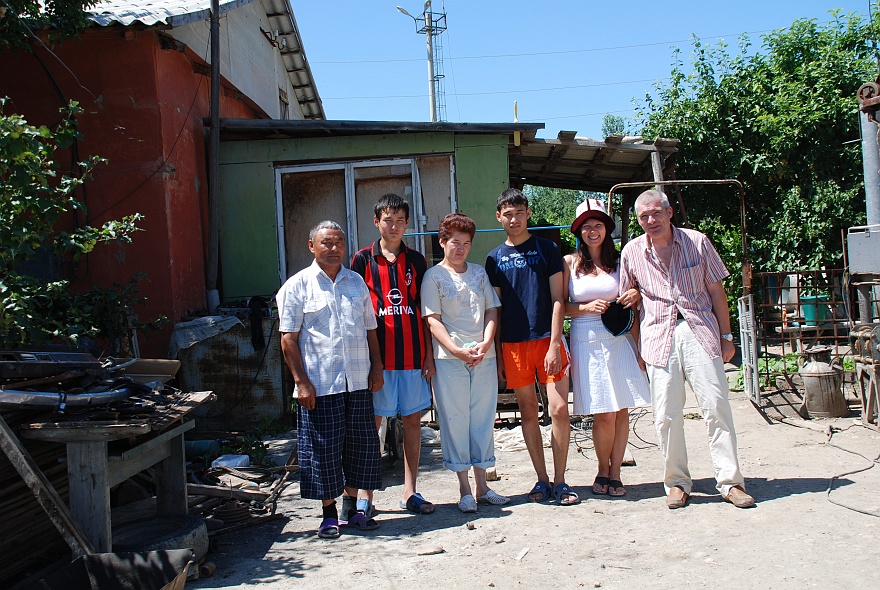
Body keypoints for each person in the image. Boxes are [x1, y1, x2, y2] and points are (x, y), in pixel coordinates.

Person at [619, 190, 755, 510]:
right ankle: (677, 483)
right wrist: (638, 346)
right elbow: (629, 303)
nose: (650, 221)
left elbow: (716, 291)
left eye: (655, 213)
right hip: (657, 338)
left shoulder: (697, 241)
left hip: (699, 330)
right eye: (643, 217)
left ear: (668, 213)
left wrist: (726, 335)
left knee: (716, 405)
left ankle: (730, 482)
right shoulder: (632, 252)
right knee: (666, 415)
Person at [278, 220, 385, 539]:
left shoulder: (356, 283)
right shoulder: (297, 286)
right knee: (324, 450)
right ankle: (327, 514)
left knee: (361, 446)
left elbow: (371, 330)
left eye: (339, 242)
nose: (334, 247)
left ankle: (351, 508)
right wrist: (301, 382)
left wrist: (376, 368)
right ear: (312, 246)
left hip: (358, 381)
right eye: (326, 242)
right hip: (320, 385)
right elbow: (287, 340)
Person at [485, 188, 577, 505]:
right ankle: (541, 480)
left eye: (519, 212)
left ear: (527, 214)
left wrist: (554, 344)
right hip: (513, 344)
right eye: (508, 214)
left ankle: (562, 480)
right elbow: (495, 309)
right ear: (499, 217)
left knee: (559, 409)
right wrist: (498, 352)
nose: (514, 219)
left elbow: (558, 299)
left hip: (546, 340)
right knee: (527, 412)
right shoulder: (494, 258)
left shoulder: (547, 248)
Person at [351, 193, 436, 515]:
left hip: (413, 358)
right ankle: (365, 496)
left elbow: (424, 311)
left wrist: (428, 357)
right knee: (374, 426)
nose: (395, 226)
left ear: (407, 223)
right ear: (377, 222)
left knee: (412, 424)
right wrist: (368, 363)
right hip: (378, 362)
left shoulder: (416, 261)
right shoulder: (362, 260)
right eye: (389, 220)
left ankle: (410, 491)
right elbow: (358, 311)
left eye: (401, 220)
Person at [421, 213, 510, 512]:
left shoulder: (478, 273)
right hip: (449, 359)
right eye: (455, 242)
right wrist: (457, 350)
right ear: (442, 241)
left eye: (466, 243)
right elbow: (433, 320)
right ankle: (464, 489)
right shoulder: (433, 276)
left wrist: (486, 343)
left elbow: (491, 312)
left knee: (483, 418)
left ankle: (484, 485)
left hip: (483, 357)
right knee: (455, 419)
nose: (460, 248)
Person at [563, 198, 649, 497]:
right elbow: (560, 307)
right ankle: (601, 468)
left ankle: (616, 473)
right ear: (579, 231)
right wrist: (584, 308)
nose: (593, 231)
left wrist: (639, 347)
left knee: (621, 409)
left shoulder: (621, 262)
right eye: (586, 226)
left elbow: (634, 302)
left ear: (607, 228)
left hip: (619, 338)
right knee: (603, 412)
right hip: (587, 339)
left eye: (598, 224)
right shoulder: (569, 263)